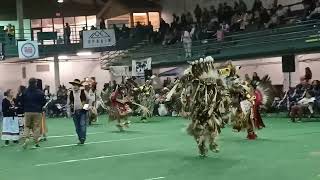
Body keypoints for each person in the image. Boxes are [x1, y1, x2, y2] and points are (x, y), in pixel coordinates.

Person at [22, 78, 46, 149]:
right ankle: (36, 143)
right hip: (37, 111)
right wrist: (40, 106)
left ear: (29, 83)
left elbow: (22, 101)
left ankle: (26, 138)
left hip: (27, 111)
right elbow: (44, 102)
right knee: (36, 127)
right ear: (35, 83)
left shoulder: (25, 92)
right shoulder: (40, 92)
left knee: (27, 126)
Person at [67, 79, 88, 145]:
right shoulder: (70, 93)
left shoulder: (83, 91)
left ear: (79, 86)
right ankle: (80, 138)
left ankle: (83, 138)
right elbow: (68, 103)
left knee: (82, 125)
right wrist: (68, 112)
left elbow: (89, 99)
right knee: (77, 127)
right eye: (74, 85)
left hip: (82, 112)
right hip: (74, 112)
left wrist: (85, 108)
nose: (75, 86)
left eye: (76, 85)